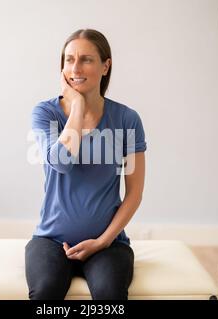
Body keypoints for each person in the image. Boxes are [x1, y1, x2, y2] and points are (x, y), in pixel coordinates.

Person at [26, 29, 147, 300]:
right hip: (51, 241)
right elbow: (61, 163)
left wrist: (102, 242)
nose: (75, 68)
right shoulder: (45, 113)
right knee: (45, 293)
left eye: (86, 60)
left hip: (108, 244)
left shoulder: (127, 119)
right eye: (69, 60)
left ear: (106, 66)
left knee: (110, 296)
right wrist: (78, 108)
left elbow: (135, 194)